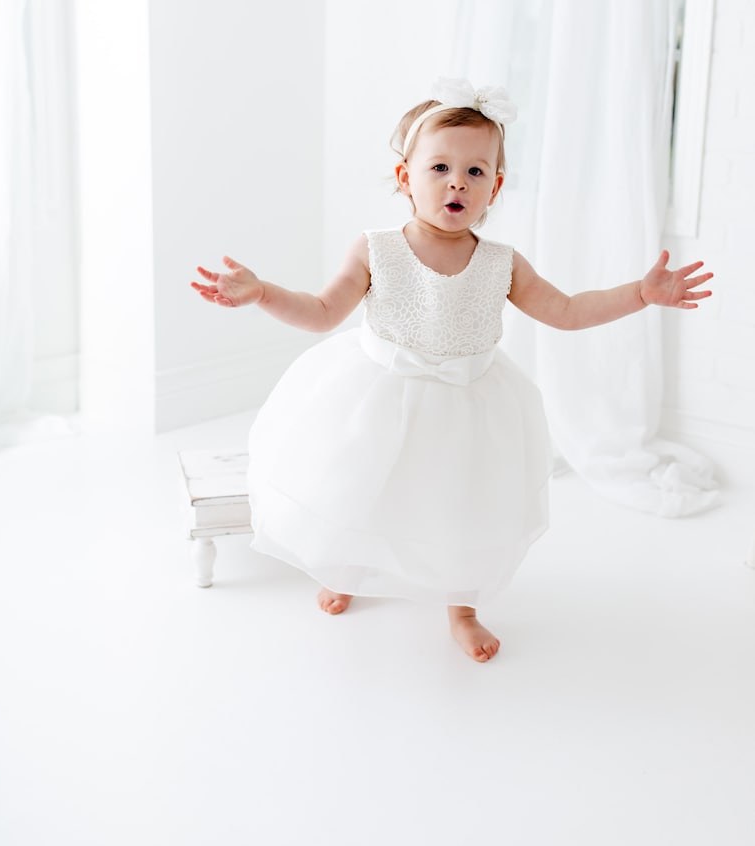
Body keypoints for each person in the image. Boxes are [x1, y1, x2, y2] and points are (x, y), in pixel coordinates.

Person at [191, 78, 713, 663]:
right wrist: (262, 292)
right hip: (378, 399)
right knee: (362, 489)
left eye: (475, 170)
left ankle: (462, 607)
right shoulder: (376, 249)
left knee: (462, 510)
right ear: (404, 177)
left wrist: (639, 294)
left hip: (468, 410)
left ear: (496, 186)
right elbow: (320, 312)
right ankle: (347, 569)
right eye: (439, 167)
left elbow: (566, 311)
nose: (457, 181)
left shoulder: (502, 262)